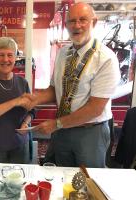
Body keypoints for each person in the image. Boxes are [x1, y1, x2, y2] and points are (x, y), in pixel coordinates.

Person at [23, 2, 120, 168]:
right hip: (63, 129)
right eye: (72, 21)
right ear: (66, 25)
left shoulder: (105, 58)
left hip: (90, 133)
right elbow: (55, 89)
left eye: (83, 20)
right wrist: (36, 99)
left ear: (94, 22)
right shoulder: (63, 53)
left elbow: (95, 108)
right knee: (62, 177)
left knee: (89, 182)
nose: (77, 26)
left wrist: (56, 124)